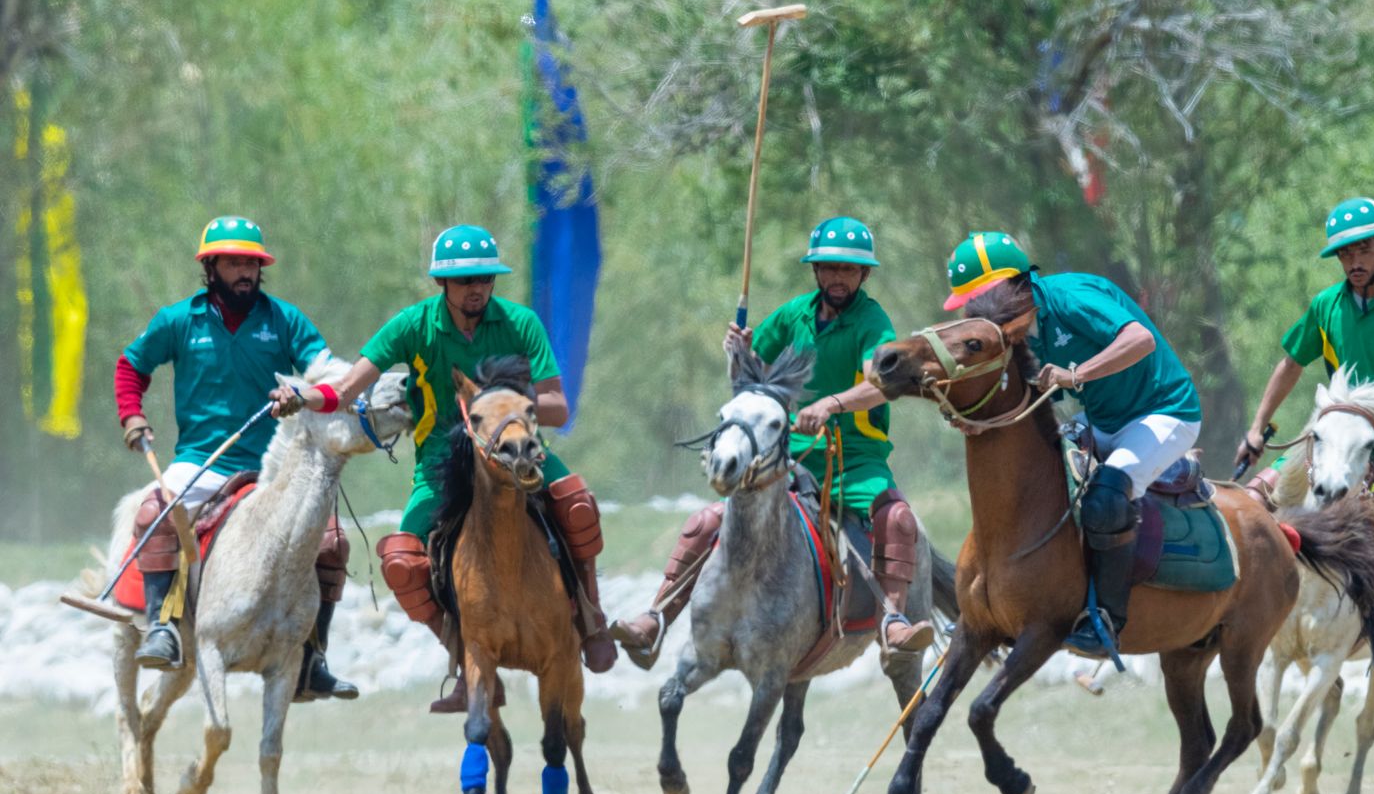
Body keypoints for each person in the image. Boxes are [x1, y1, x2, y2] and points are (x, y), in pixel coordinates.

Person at [271, 224, 616, 713]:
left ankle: (591, 620)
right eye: (465, 280)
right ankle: (462, 659)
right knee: (400, 562)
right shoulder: (413, 325)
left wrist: (508, 401)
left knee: (577, 504)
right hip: (441, 463)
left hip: (516, 451)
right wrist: (301, 397)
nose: (477, 288)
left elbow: (559, 406)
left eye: (484, 278)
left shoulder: (521, 323)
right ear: (443, 284)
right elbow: (347, 390)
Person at [611, 216, 935, 668]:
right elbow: (750, 382)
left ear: (864, 275)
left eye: (847, 269)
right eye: (828, 268)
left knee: (896, 517)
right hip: (790, 455)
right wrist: (739, 352)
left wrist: (830, 405)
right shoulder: (794, 314)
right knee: (710, 519)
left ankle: (894, 622)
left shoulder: (871, 319)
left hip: (856, 461)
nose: (837, 277)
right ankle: (656, 617)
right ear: (816, 271)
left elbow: (881, 382)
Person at [118, 215, 356, 700]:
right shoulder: (178, 320)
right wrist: (132, 417)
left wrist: (303, 391)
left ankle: (313, 657)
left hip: (273, 466)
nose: (245, 270)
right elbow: (130, 366)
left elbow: (327, 372)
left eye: (252, 262)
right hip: (202, 460)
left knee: (333, 542)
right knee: (156, 511)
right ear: (211, 266)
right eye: (233, 261)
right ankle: (163, 625)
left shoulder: (284, 319)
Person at [943, 231, 1203, 658]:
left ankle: (1106, 620)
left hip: (1164, 411)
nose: (974, 311)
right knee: (1040, 490)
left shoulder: (1070, 296)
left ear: (1007, 286)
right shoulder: (1017, 334)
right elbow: (1028, 399)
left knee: (1104, 500)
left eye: (977, 299)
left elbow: (1141, 340)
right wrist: (979, 423)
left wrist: (1075, 375)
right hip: (1104, 418)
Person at [1234, 197, 1374, 659]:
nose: (1353, 262)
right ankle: (1231, 604)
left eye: (1361, 251)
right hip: (1332, 443)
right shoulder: (1326, 307)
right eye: (1344, 254)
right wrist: (1258, 426)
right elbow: (1290, 364)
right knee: (1251, 500)